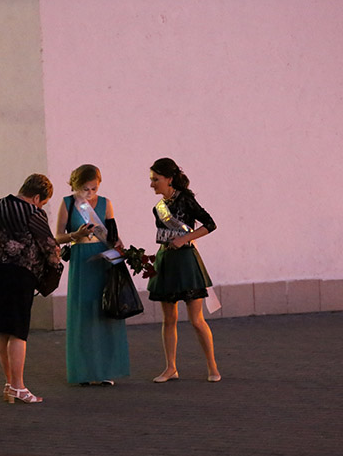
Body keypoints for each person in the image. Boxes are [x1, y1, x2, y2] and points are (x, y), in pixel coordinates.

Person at [0, 174, 60, 403]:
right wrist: (55, 267)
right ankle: (19, 387)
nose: (41, 207)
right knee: (17, 331)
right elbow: (49, 245)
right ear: (36, 198)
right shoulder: (32, 212)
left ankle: (9, 384)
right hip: (17, 272)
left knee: (3, 331)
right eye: (42, 203)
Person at [147, 158, 222, 383]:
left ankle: (212, 366)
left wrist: (184, 239)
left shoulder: (186, 199)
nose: (152, 184)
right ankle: (171, 367)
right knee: (169, 319)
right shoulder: (158, 208)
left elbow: (210, 224)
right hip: (166, 262)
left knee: (196, 319)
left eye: (155, 179)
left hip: (187, 262)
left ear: (169, 179)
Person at [55, 164, 130, 386]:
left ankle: (105, 370)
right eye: (85, 189)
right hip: (81, 260)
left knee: (104, 311)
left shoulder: (106, 204)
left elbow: (113, 235)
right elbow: (57, 237)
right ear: (76, 186)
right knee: (83, 314)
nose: (90, 193)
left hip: (102, 260)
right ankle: (84, 370)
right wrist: (75, 235)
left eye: (94, 189)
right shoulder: (68, 203)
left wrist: (121, 250)